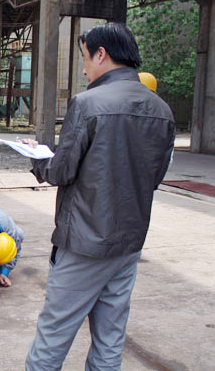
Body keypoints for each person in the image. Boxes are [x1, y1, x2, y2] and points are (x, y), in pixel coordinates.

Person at [23, 23, 175, 370]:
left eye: (85, 58)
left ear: (101, 54)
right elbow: (153, 177)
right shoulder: (162, 111)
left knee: (53, 336)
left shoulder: (88, 103)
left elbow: (60, 172)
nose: (85, 67)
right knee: (110, 340)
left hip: (84, 244)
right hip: (128, 244)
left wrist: (37, 157)